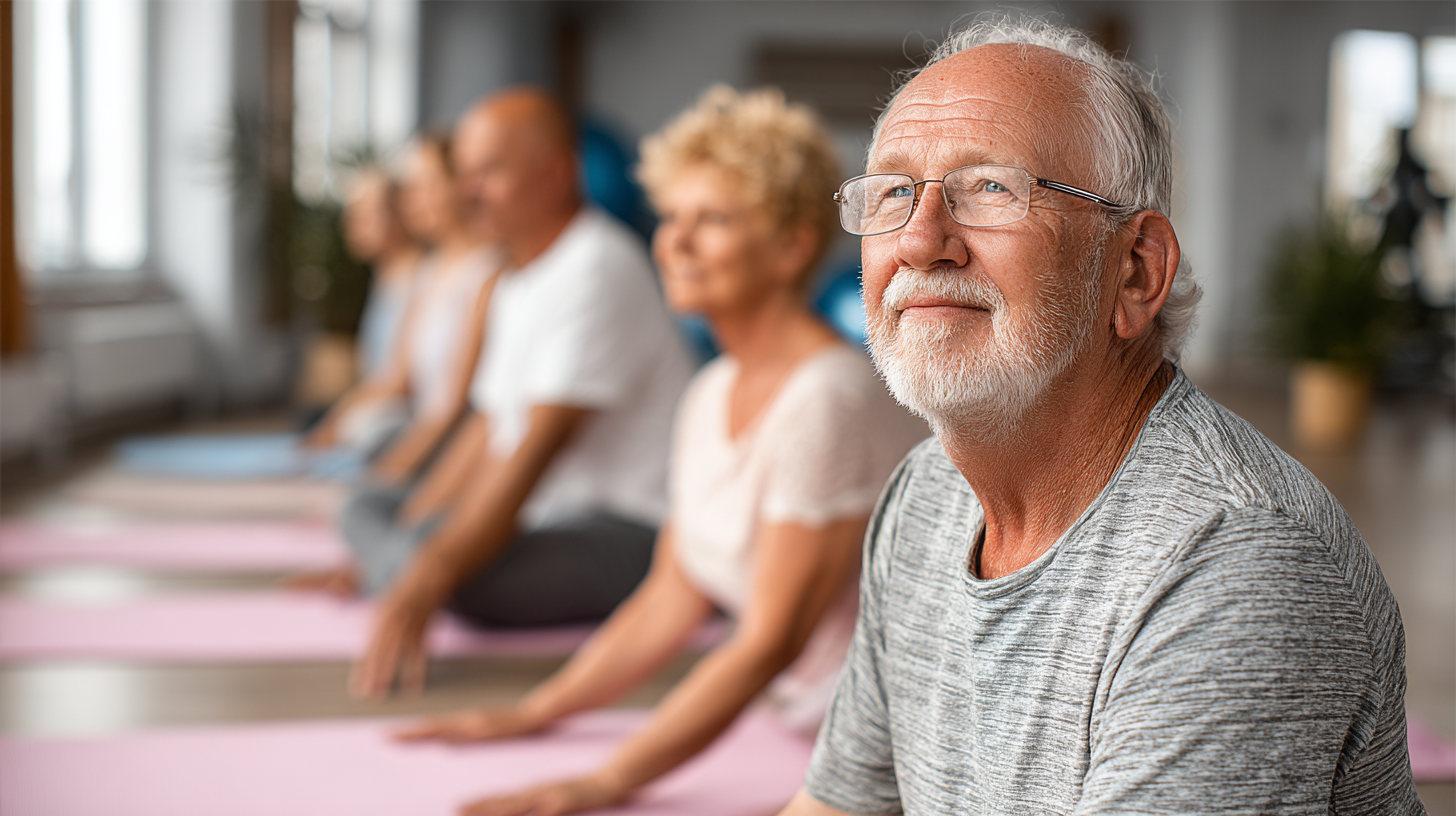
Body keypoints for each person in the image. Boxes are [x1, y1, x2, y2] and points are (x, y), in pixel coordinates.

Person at [780, 17, 1421, 816]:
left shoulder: (1235, 563)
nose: (919, 240)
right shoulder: (925, 493)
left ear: (1136, 272)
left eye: (991, 187)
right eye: (894, 191)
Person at [396, 85, 925, 816]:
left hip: (892, 745)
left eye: (710, 220)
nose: (673, 241)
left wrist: (607, 781)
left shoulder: (826, 398)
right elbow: (670, 595)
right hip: (799, 720)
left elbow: (767, 640)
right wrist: (536, 713)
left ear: (792, 245)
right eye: (672, 217)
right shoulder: (710, 390)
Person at [345, 89, 695, 699]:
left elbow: (534, 449)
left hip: (636, 531)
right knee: (363, 508)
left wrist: (429, 569)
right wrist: (418, 529)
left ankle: (401, 566)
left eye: (489, 172)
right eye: (465, 174)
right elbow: (486, 431)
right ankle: (399, 560)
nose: (467, 192)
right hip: (550, 515)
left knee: (459, 577)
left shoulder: (596, 264)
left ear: (556, 173)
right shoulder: (518, 277)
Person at [304, 136, 498, 482]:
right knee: (360, 429)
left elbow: (455, 406)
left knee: (376, 439)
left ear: (461, 184)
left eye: (425, 187)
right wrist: (329, 430)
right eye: (409, 189)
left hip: (454, 437)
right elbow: (399, 374)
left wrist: (384, 478)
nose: (411, 202)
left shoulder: (489, 271)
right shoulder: (429, 271)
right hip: (419, 423)